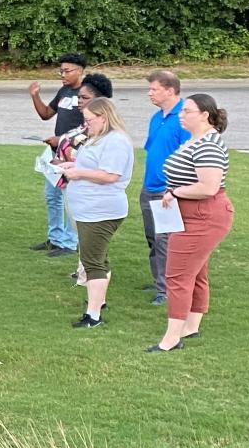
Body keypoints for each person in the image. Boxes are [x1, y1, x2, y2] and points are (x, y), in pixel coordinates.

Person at [149, 94, 234, 353]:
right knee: (195, 272)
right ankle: (191, 326)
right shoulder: (194, 140)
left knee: (177, 276)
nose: (181, 115)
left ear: (204, 115)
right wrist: (173, 190)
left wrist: (175, 192)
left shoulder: (208, 145)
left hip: (203, 215)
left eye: (187, 111)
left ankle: (171, 339)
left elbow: (208, 187)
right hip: (188, 213)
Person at [58, 97, 134, 328]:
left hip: (100, 211)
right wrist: (73, 167)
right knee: (98, 258)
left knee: (92, 262)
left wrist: (78, 173)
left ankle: (93, 316)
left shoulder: (116, 141)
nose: (86, 124)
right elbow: (94, 166)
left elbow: (111, 175)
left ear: (103, 117)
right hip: (89, 208)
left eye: (89, 120)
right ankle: (98, 302)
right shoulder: (99, 138)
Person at [28, 54, 87, 257]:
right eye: (60, 71)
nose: (62, 74)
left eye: (66, 70)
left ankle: (70, 243)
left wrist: (61, 140)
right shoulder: (64, 91)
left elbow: (88, 126)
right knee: (52, 197)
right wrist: (35, 95)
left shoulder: (87, 94)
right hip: (54, 154)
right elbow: (46, 114)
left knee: (70, 199)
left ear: (80, 70)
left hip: (73, 155)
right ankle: (55, 239)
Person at [138, 71, 187, 308]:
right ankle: (158, 278)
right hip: (149, 186)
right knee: (152, 238)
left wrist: (175, 188)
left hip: (168, 190)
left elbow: (189, 155)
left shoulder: (185, 117)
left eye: (154, 89)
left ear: (170, 90)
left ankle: (166, 289)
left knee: (164, 240)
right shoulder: (157, 117)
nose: (150, 93)